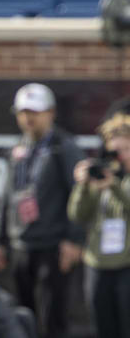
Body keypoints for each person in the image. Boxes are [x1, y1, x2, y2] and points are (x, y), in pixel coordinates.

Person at [0, 83, 85, 338]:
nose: (28, 118)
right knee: (22, 316)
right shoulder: (18, 149)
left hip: (53, 246)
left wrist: (73, 240)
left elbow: (80, 195)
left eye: (35, 111)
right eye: (23, 112)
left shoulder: (64, 147)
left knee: (55, 318)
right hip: (22, 245)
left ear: (51, 112)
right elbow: (7, 197)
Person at [68, 112, 130, 338]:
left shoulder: (115, 182)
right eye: (114, 150)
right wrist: (83, 186)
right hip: (98, 264)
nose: (119, 156)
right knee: (103, 328)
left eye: (125, 149)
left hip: (127, 266)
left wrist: (114, 186)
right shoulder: (101, 177)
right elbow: (76, 214)